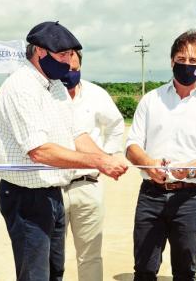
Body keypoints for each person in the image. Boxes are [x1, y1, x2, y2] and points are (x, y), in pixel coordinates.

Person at [0, 21, 127, 281]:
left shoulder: (54, 84)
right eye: (63, 55)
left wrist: (104, 158)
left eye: (71, 55)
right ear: (40, 52)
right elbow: (40, 151)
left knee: (55, 271)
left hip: (52, 194)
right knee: (35, 275)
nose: (68, 62)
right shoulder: (21, 87)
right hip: (27, 198)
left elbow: (77, 133)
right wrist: (99, 163)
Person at [126, 29, 196, 281]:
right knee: (145, 268)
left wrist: (190, 170)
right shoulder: (151, 100)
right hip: (151, 194)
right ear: (171, 61)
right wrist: (149, 165)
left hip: (190, 198)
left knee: (185, 270)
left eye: (194, 61)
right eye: (181, 59)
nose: (187, 65)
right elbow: (132, 146)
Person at [59, 49, 125, 281]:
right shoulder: (47, 94)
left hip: (87, 185)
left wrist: (106, 156)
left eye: (75, 70)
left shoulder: (96, 94)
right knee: (51, 256)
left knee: (90, 256)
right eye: (66, 69)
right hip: (52, 187)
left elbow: (116, 124)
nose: (70, 74)